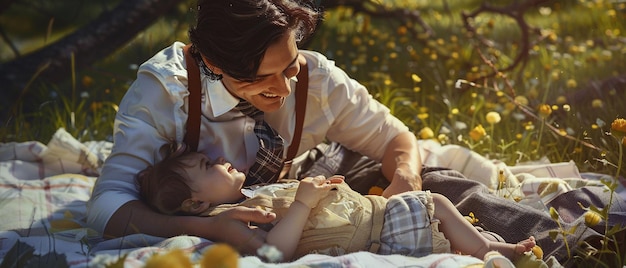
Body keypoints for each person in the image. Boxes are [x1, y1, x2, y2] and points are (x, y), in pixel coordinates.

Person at [87, 0, 422, 250]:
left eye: (289, 67)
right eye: (261, 79)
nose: (284, 89)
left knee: (440, 180)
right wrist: (207, 228)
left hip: (313, 174)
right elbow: (107, 206)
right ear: (215, 65)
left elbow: (395, 137)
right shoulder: (167, 90)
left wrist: (407, 177)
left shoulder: (317, 81)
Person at [135, 143, 536, 261]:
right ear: (197, 204)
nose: (221, 159)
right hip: (377, 230)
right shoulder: (230, 220)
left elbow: (306, 202)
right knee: (437, 204)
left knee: (441, 208)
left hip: (371, 213)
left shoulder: (254, 193)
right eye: (208, 165)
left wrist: (324, 189)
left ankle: (489, 246)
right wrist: (305, 203)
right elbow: (276, 252)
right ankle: (491, 250)